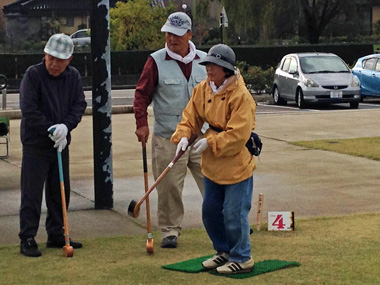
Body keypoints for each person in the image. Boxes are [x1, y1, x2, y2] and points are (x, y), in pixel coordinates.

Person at [171, 44, 256, 274]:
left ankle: (242, 256)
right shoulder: (202, 89)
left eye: (214, 65)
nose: (209, 69)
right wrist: (184, 136)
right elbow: (191, 117)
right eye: (208, 64)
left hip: (236, 163)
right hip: (211, 163)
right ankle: (223, 251)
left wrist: (210, 142)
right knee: (210, 210)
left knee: (233, 212)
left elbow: (239, 134)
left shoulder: (241, 96)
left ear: (226, 70)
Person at [133, 12, 207, 248]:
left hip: (201, 136)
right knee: (169, 187)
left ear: (189, 34)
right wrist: (141, 124)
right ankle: (169, 231)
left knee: (214, 180)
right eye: (168, 34)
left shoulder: (205, 60)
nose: (171, 39)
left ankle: (228, 222)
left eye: (176, 34)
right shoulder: (155, 60)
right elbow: (141, 95)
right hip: (168, 136)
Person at [19, 33, 87, 257]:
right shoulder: (33, 75)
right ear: (45, 54)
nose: (55, 64)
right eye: (51, 58)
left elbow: (79, 105)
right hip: (36, 144)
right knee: (32, 193)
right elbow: (29, 110)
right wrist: (51, 130)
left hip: (61, 143)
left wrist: (66, 127)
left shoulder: (73, 76)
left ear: (69, 59)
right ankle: (27, 237)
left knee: (60, 191)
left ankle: (57, 234)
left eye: (60, 60)